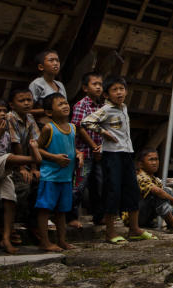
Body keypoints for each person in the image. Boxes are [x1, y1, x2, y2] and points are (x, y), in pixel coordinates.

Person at [82, 77, 153, 244]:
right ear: (107, 94)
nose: (119, 92)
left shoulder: (124, 108)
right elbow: (86, 121)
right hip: (112, 155)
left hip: (126, 153)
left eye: (122, 88)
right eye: (115, 90)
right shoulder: (107, 109)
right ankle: (110, 232)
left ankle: (134, 229)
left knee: (132, 189)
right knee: (112, 191)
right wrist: (103, 132)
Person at [0, 98, 41, 253]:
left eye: (4, 111)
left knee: (10, 199)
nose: (3, 114)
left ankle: (6, 238)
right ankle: (34, 158)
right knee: (8, 158)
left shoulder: (6, 135)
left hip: (1, 170)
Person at [35, 93, 79, 252]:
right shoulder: (49, 128)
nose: (65, 106)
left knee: (62, 211)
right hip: (50, 176)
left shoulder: (73, 127)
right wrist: (54, 157)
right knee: (45, 209)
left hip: (66, 177)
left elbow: (71, 147)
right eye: (60, 104)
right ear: (49, 112)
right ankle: (45, 242)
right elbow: (37, 148)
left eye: (66, 103)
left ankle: (62, 240)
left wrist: (78, 154)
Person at [69, 72, 104, 228]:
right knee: (79, 186)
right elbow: (78, 127)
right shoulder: (81, 105)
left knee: (99, 186)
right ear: (85, 88)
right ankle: (70, 217)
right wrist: (94, 146)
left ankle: (98, 216)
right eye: (94, 84)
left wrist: (101, 148)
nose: (98, 87)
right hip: (85, 153)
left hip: (99, 154)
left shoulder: (102, 106)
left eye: (100, 84)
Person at [135, 149, 173, 233]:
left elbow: (164, 190)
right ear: (140, 164)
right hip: (136, 218)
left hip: (146, 216)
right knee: (159, 193)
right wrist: (172, 199)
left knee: (167, 190)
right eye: (151, 160)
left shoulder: (153, 178)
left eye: (156, 159)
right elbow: (157, 191)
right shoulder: (140, 176)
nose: (155, 162)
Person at [29, 50, 66, 123]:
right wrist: (48, 110)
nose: (56, 63)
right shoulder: (37, 84)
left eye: (57, 60)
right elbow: (27, 109)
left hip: (59, 124)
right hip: (42, 125)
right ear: (41, 67)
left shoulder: (60, 85)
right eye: (51, 60)